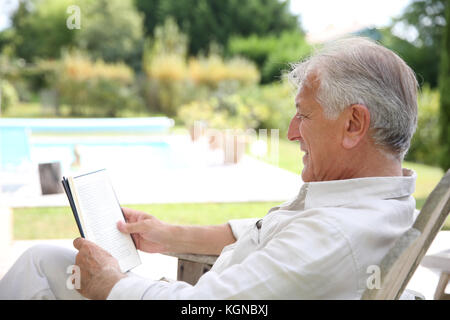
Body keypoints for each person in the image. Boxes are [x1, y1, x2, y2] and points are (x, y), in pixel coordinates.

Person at [0, 36, 419, 299]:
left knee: (39, 266)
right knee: (43, 261)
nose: (292, 132)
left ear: (353, 124)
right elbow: (261, 231)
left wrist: (112, 284)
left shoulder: (332, 236)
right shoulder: (371, 202)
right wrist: (167, 235)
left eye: (304, 116)